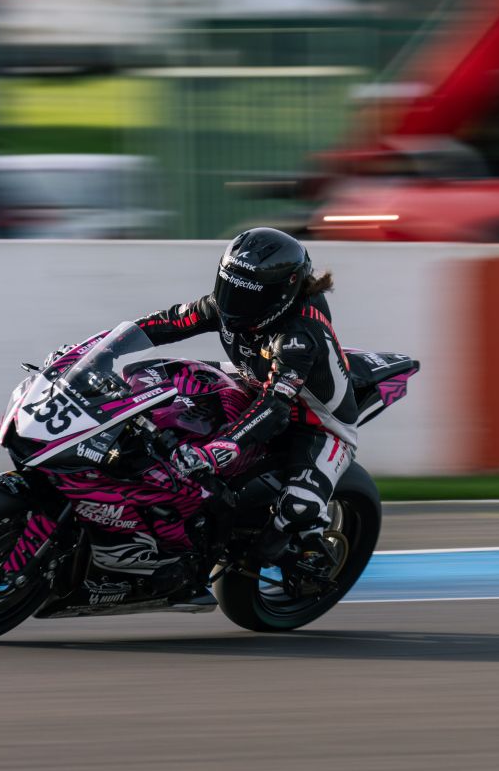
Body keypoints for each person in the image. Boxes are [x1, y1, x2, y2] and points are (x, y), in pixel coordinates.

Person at [135, 227, 358, 566]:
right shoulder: (226, 306)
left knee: (296, 509)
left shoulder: (298, 337)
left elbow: (275, 407)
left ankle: (308, 550)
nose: (231, 303)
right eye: (230, 287)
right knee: (160, 377)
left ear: (282, 293)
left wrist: (218, 450)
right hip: (251, 381)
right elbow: (168, 322)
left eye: (246, 294)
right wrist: (97, 348)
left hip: (316, 423)